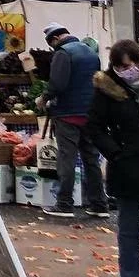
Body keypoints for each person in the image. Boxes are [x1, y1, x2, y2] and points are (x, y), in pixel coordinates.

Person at [87, 38, 139, 277]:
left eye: (130, 65)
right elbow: (94, 127)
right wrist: (116, 153)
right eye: (120, 67)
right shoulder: (106, 90)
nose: (127, 71)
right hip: (128, 168)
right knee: (129, 230)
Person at [38, 24, 109, 218]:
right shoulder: (91, 52)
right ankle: (99, 204)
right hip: (89, 113)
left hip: (67, 113)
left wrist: (44, 98)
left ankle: (64, 204)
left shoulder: (63, 53)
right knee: (91, 159)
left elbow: (57, 84)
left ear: (54, 39)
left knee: (66, 159)